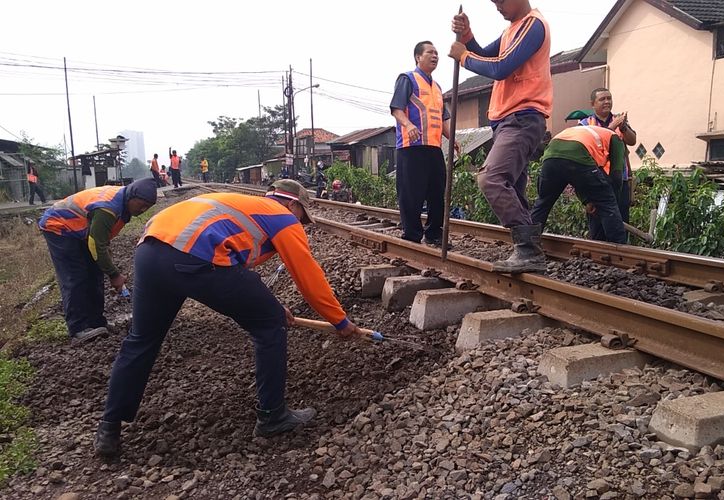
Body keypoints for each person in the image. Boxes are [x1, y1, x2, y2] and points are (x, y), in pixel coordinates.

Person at [93, 179, 364, 458]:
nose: (300, 223)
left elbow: (232, 264)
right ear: (293, 204)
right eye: (302, 217)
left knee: (141, 340)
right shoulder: (282, 216)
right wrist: (339, 321)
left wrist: (267, 304)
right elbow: (308, 278)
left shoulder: (242, 206)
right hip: (195, 257)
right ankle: (273, 416)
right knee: (271, 325)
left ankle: (109, 428)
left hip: (150, 253)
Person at [450, 0, 552, 273]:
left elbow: (500, 68)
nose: (497, 6)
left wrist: (463, 56)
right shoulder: (512, 31)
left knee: (491, 178)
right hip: (509, 120)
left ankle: (529, 250)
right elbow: (485, 54)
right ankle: (528, 252)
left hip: (522, 118)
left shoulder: (533, 26)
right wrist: (468, 37)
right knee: (513, 189)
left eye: (501, 0)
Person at [38, 178, 158, 344]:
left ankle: (96, 323)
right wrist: (114, 274)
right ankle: (78, 328)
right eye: (142, 204)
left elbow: (101, 240)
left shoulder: (123, 205)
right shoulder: (109, 209)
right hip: (59, 226)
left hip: (80, 231)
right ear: (132, 197)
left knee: (94, 273)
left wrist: (107, 267)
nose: (143, 209)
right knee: (76, 276)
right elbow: (96, 244)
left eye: (148, 207)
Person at [390, 41, 455, 247]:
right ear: (418, 57)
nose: (435, 56)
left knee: (437, 193)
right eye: (430, 52)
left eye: (437, 53)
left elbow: (443, 117)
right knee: (411, 193)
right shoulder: (407, 79)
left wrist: (453, 139)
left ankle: (434, 234)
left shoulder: (437, 88)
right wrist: (408, 124)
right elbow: (396, 108)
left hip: (433, 148)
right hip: (411, 147)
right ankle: (412, 235)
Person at [530, 125, 627, 244]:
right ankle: (618, 249)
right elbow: (616, 176)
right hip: (578, 153)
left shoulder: (587, 134)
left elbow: (578, 179)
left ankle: (528, 245)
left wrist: (586, 200)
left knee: (543, 203)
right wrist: (613, 205)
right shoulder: (616, 139)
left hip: (551, 156)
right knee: (607, 202)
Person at [579, 88, 637, 240]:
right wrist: (613, 126)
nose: (607, 102)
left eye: (609, 98)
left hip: (620, 180)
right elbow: (593, 140)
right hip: (596, 179)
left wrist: (623, 127)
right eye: (602, 99)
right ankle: (598, 256)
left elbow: (632, 141)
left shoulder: (619, 120)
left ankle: (621, 255)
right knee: (598, 221)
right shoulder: (585, 123)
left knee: (621, 219)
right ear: (593, 104)